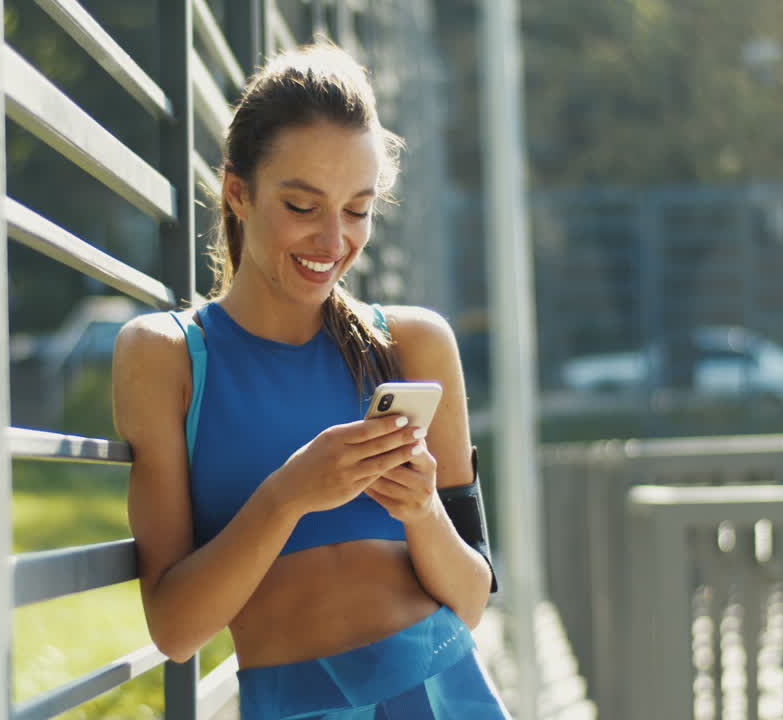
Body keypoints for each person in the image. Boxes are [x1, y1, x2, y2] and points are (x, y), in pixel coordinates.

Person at [112, 42, 509, 719]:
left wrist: (421, 510)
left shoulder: (414, 345)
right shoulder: (168, 356)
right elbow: (175, 630)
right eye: (302, 206)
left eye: (357, 210)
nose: (334, 241)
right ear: (238, 193)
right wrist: (289, 494)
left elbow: (471, 598)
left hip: (443, 690)